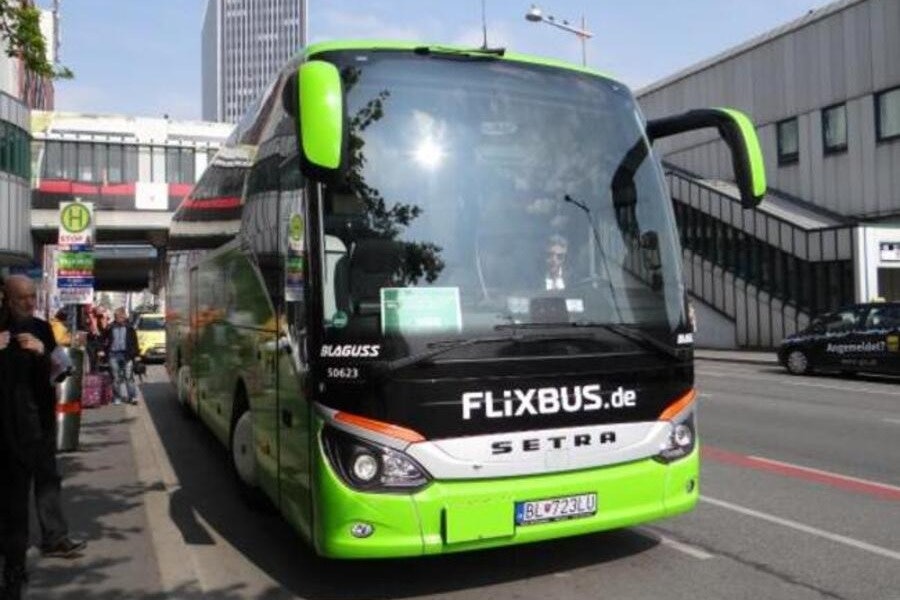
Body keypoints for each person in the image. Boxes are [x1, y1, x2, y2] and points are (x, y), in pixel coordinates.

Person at [2, 277, 87, 568]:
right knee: (13, 487)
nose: (29, 302)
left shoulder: (41, 327)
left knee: (48, 479)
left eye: (32, 296)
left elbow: (59, 371)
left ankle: (55, 537)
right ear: (8, 299)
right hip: (9, 424)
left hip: (41, 419)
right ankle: (12, 546)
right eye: (22, 297)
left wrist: (43, 353)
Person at [102, 307, 139, 405]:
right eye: (117, 317)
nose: (119, 319)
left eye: (121, 317)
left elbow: (135, 341)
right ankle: (117, 397)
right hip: (113, 355)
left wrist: (136, 355)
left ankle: (132, 397)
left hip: (127, 355)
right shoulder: (110, 327)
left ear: (124, 317)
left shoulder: (129, 328)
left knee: (128, 377)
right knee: (116, 377)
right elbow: (103, 338)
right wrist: (102, 350)